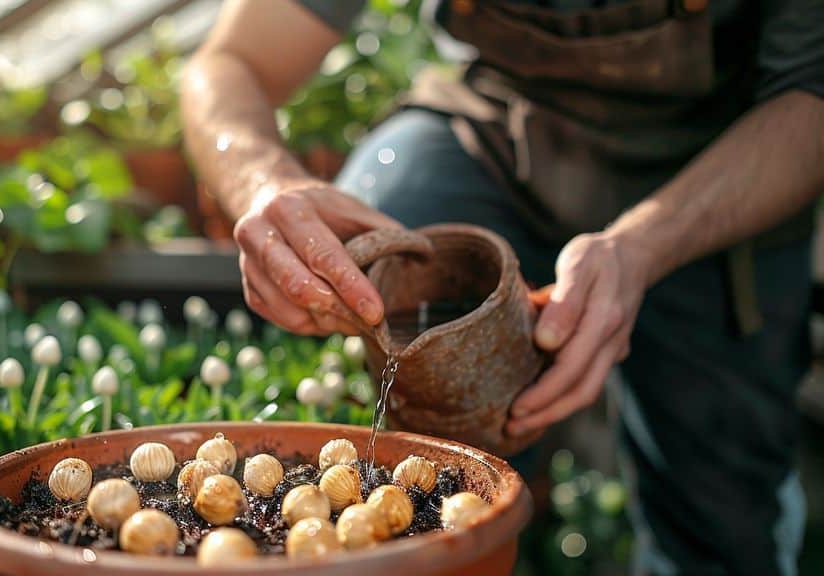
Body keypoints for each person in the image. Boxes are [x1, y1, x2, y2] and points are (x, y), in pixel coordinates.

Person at [181, 1, 824, 574]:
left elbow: (811, 98)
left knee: (722, 515)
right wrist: (262, 181)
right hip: (501, 127)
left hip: (721, 159)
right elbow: (231, 61)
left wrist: (642, 249)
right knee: (397, 207)